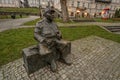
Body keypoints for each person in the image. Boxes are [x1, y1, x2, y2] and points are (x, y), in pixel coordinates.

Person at [34, 7, 72, 72]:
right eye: (51, 13)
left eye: (53, 13)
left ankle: (63, 57)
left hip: (55, 40)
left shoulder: (54, 23)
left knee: (65, 44)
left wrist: (59, 34)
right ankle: (52, 61)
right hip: (45, 42)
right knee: (44, 52)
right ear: (45, 14)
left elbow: (58, 31)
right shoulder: (40, 23)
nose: (53, 15)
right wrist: (43, 40)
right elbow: (36, 34)